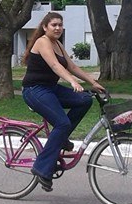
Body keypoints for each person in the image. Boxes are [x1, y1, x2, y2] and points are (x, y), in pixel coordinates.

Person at [22, 11, 103, 192]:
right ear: (45, 27)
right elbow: (55, 66)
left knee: (84, 100)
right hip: (34, 90)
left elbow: (72, 66)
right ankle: (42, 168)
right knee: (62, 122)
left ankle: (60, 139)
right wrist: (72, 81)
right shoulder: (42, 41)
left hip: (50, 89)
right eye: (54, 25)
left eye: (60, 25)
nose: (58, 28)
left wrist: (93, 82)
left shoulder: (57, 43)